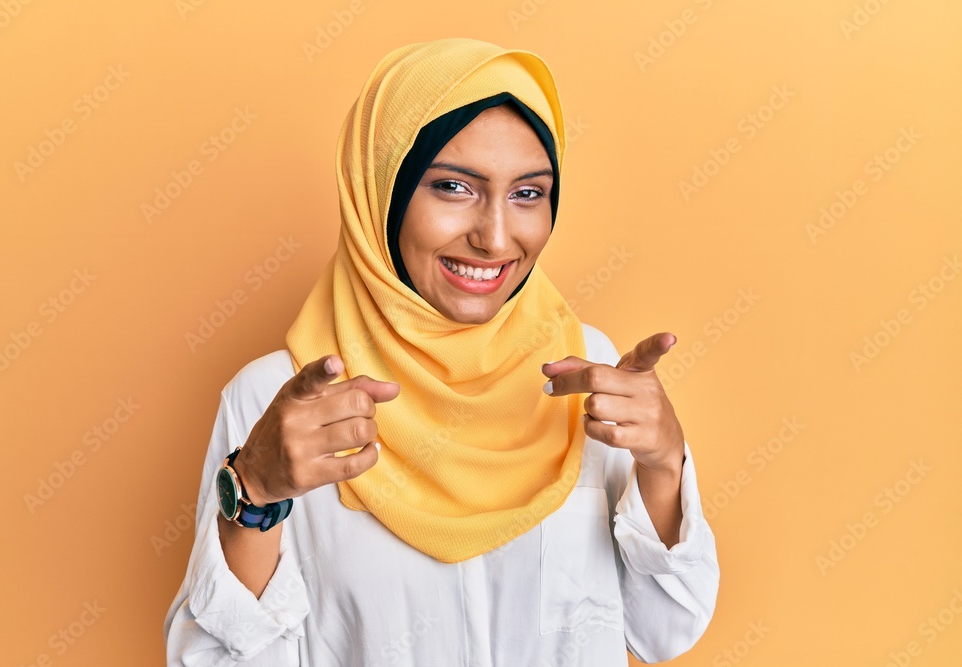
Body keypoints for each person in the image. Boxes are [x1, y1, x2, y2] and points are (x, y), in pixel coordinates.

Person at [164, 37, 719, 666]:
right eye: (454, 187)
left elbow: (664, 629)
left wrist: (664, 461)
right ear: (381, 193)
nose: (495, 237)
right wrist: (255, 495)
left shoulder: (587, 371)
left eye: (528, 193)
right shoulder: (278, 401)